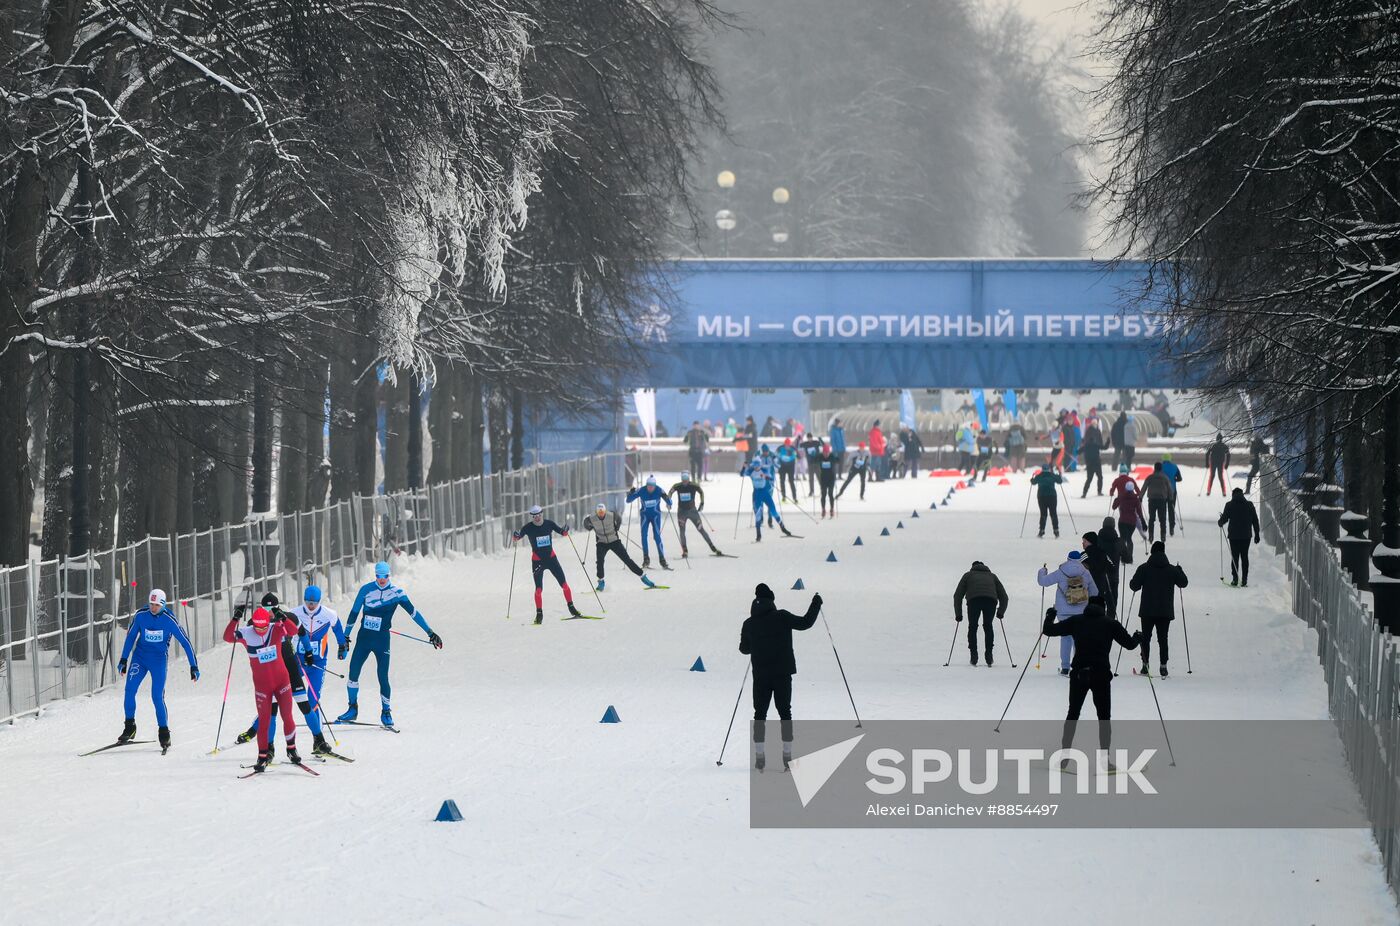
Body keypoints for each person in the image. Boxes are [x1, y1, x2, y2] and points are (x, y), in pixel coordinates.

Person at [237, 587, 346, 755]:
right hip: (271, 674)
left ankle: (319, 740)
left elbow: (301, 632)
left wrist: (309, 651)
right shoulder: (255, 623)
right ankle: (269, 747)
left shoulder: (288, 618)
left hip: (290, 667)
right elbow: (243, 640)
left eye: (272, 608)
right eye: (265, 609)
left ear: (278, 607)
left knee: (306, 706)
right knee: (272, 712)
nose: (269, 613)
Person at [338, 561, 442, 723]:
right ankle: (352, 709)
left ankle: (386, 712)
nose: (381, 580)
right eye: (378, 576)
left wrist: (430, 632)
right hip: (364, 639)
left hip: (382, 641)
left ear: (389, 575)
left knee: (383, 676)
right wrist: (345, 637)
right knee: (353, 672)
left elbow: (413, 613)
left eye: (384, 576)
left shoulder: (397, 593)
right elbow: (354, 614)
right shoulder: (366, 590)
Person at [1042, 598, 1142, 764]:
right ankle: (1105, 760)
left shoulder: (1076, 621)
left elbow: (1048, 630)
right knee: (1104, 718)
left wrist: (1050, 615)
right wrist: (1138, 637)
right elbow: (1130, 644)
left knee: (1072, 714)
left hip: (1079, 674)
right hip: (1101, 675)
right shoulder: (1111, 624)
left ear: (1087, 606)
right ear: (1103, 607)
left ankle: (1064, 757)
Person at [738, 584, 822, 772]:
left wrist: (756, 642)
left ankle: (760, 758)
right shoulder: (782, 617)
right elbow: (805, 623)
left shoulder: (749, 623)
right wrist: (816, 603)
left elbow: (744, 649)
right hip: (782, 674)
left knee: (760, 715)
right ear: (772, 601)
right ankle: (787, 757)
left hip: (760, 676)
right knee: (785, 713)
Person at [225, 604, 315, 772]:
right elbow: (228, 637)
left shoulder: (276, 628)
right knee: (264, 721)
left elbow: (293, 630)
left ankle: (291, 749)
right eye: (257, 627)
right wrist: (236, 618)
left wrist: (282, 616)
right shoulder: (246, 632)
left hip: (282, 682)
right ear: (253, 624)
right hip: (262, 687)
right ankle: (262, 756)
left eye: (264, 626)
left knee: (287, 716)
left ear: (269, 622)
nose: (261, 630)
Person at [115, 588, 199, 750]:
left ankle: (164, 731)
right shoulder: (141, 615)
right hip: (139, 658)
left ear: (163, 604)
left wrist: (193, 666)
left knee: (157, 696)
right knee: (129, 690)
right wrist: (124, 659)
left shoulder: (169, 620)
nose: (153, 608)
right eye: (151, 604)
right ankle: (130, 727)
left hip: (158, 661)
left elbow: (185, 642)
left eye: (156, 605)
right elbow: (131, 637)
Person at [511, 506, 584, 624]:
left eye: (539, 515)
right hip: (537, 561)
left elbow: (562, 532)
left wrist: (565, 530)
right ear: (532, 517)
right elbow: (517, 538)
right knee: (538, 590)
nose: (537, 518)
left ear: (542, 514)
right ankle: (539, 614)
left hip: (551, 559)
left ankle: (572, 608)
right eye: (535, 516)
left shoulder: (549, 524)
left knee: (564, 584)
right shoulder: (528, 528)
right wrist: (515, 536)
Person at [1129, 541, 1189, 677]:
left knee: (1146, 638)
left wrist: (1133, 581)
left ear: (1152, 552)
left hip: (1147, 611)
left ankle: (1145, 666)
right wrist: (1180, 570)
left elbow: (1134, 586)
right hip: (1165, 611)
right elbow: (1183, 583)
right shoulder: (1172, 569)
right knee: (1163, 639)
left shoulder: (1144, 568)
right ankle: (1163, 666)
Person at [1038, 551, 1100, 676]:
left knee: (1065, 638)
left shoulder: (1061, 571)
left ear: (1068, 559)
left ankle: (1065, 667)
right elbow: (1095, 591)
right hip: (1081, 613)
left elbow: (1043, 582)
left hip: (1064, 613)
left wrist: (1042, 571)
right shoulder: (1085, 573)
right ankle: (1079, 665)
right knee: (1079, 639)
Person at [584, 502, 656, 590]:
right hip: (601, 543)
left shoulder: (611, 515)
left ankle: (643, 577)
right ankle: (601, 581)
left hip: (614, 541)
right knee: (599, 562)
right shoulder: (592, 518)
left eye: (602, 512)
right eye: (599, 513)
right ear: (596, 512)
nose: (601, 514)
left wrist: (617, 526)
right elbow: (585, 522)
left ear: (605, 511)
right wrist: (588, 527)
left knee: (627, 560)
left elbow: (619, 518)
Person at [953, 561, 1008, 666]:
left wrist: (958, 614)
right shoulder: (992, 576)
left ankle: (973, 656)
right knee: (988, 626)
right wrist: (1001, 612)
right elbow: (1004, 596)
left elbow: (957, 595)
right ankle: (989, 655)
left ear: (972, 567)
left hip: (974, 601)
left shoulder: (968, 575)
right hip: (990, 601)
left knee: (973, 627)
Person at [667, 473, 723, 558]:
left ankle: (713, 547)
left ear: (688, 480)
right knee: (682, 531)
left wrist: (702, 503)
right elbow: (670, 493)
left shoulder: (693, 485)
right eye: (683, 481)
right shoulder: (677, 486)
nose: (684, 483)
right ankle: (685, 551)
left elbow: (701, 492)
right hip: (682, 512)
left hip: (692, 512)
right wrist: (669, 502)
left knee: (701, 529)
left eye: (686, 481)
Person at [742, 453, 794, 541]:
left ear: (760, 464)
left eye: (758, 465)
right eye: (755, 465)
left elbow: (771, 478)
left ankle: (783, 528)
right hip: (756, 494)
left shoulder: (764, 470)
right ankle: (758, 535)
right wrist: (744, 467)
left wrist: (766, 477)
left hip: (765, 493)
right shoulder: (751, 471)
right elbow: (742, 474)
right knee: (758, 514)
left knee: (773, 510)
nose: (756, 467)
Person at [626, 475, 672, 569]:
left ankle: (662, 560)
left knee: (657, 536)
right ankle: (646, 559)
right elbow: (628, 500)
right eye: (648, 485)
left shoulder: (659, 490)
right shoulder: (642, 490)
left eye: (652, 486)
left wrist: (666, 497)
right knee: (643, 536)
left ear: (655, 485)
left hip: (655, 516)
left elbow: (670, 502)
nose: (650, 488)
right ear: (646, 485)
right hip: (645, 517)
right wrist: (630, 493)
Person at [1218, 487, 1261, 586]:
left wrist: (1220, 522)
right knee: (1244, 556)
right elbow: (1255, 520)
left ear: (1233, 495)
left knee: (1235, 557)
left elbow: (1224, 519)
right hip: (1246, 536)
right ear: (1242, 495)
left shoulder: (1229, 505)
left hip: (1233, 536)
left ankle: (1235, 579)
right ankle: (1244, 579)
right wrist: (1257, 534)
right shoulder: (1249, 505)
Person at [1080, 532, 1114, 619]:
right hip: (1102, 588)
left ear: (1091, 542)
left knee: (1086, 614)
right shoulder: (1103, 553)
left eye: (1085, 541)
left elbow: (1077, 568)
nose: (1083, 543)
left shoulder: (1084, 555)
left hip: (1087, 589)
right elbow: (1112, 567)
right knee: (1100, 614)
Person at [1094, 518, 1122, 617]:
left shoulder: (1096, 541)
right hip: (1113, 577)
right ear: (1114, 526)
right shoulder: (1119, 541)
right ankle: (1110, 624)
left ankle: (1098, 623)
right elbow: (1128, 558)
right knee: (1112, 603)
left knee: (1098, 602)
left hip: (1098, 577)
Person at [1112, 485, 1146, 565]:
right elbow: (1139, 511)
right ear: (1133, 489)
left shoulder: (1121, 497)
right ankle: (1129, 558)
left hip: (1122, 521)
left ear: (1126, 488)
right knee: (1129, 539)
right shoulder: (1136, 499)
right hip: (1132, 522)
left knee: (1122, 539)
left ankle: (1123, 558)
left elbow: (1114, 507)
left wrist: (1116, 500)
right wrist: (1143, 521)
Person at [1030, 463, 1064, 538]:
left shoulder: (1039, 476)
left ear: (1042, 469)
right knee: (1053, 513)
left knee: (1043, 514)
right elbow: (1060, 481)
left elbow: (1033, 482)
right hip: (1052, 496)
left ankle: (1041, 531)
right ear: (1049, 469)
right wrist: (1059, 475)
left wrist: (1032, 478)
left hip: (1041, 497)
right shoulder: (1052, 475)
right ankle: (1056, 530)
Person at [1142, 462, 1173, 543]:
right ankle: (1163, 535)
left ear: (1154, 468)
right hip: (1162, 500)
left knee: (1151, 518)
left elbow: (1144, 487)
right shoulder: (1165, 478)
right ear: (1161, 468)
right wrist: (1171, 498)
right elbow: (1169, 488)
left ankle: (1151, 535)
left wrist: (1140, 497)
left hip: (1152, 500)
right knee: (1162, 519)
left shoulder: (1150, 477)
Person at [1080, 417, 1106, 497]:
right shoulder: (1089, 431)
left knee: (1100, 477)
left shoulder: (1098, 430)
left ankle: (1099, 491)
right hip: (1091, 459)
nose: (1095, 424)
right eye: (1094, 423)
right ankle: (1084, 493)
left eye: (1096, 423)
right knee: (1090, 478)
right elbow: (1086, 442)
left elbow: (1100, 440)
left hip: (1096, 456)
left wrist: (1101, 445)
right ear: (1092, 424)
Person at [1160, 453, 1184, 534]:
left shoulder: (1160, 467)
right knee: (1171, 509)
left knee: (1163, 510)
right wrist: (1174, 479)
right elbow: (1180, 479)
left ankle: (1163, 528)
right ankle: (1171, 528)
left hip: (1162, 492)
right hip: (1172, 491)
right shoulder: (1175, 466)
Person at [1205, 432, 1231, 497]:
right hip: (1220, 463)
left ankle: (1209, 491)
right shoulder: (1224, 446)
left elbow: (1207, 453)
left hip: (1214, 463)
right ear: (1222, 439)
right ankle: (1223, 492)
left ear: (1216, 439)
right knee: (1220, 477)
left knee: (1212, 476)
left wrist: (1207, 463)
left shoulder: (1213, 445)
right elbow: (1228, 455)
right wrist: (1226, 464)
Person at [817, 443, 838, 517]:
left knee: (830, 494)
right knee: (823, 494)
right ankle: (823, 509)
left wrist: (836, 456)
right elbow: (813, 460)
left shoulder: (832, 456)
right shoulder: (820, 456)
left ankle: (832, 509)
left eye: (827, 453)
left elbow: (838, 460)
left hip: (831, 478)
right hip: (823, 478)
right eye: (824, 453)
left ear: (829, 452)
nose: (826, 454)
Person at [800, 432, 823, 497]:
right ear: (807, 438)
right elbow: (798, 446)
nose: (810, 439)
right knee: (811, 478)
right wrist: (799, 439)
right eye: (808, 438)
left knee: (819, 477)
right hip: (810, 463)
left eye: (810, 438)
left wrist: (820, 439)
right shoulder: (805, 444)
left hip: (817, 463)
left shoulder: (815, 442)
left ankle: (822, 489)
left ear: (812, 437)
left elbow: (823, 445)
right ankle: (811, 491)